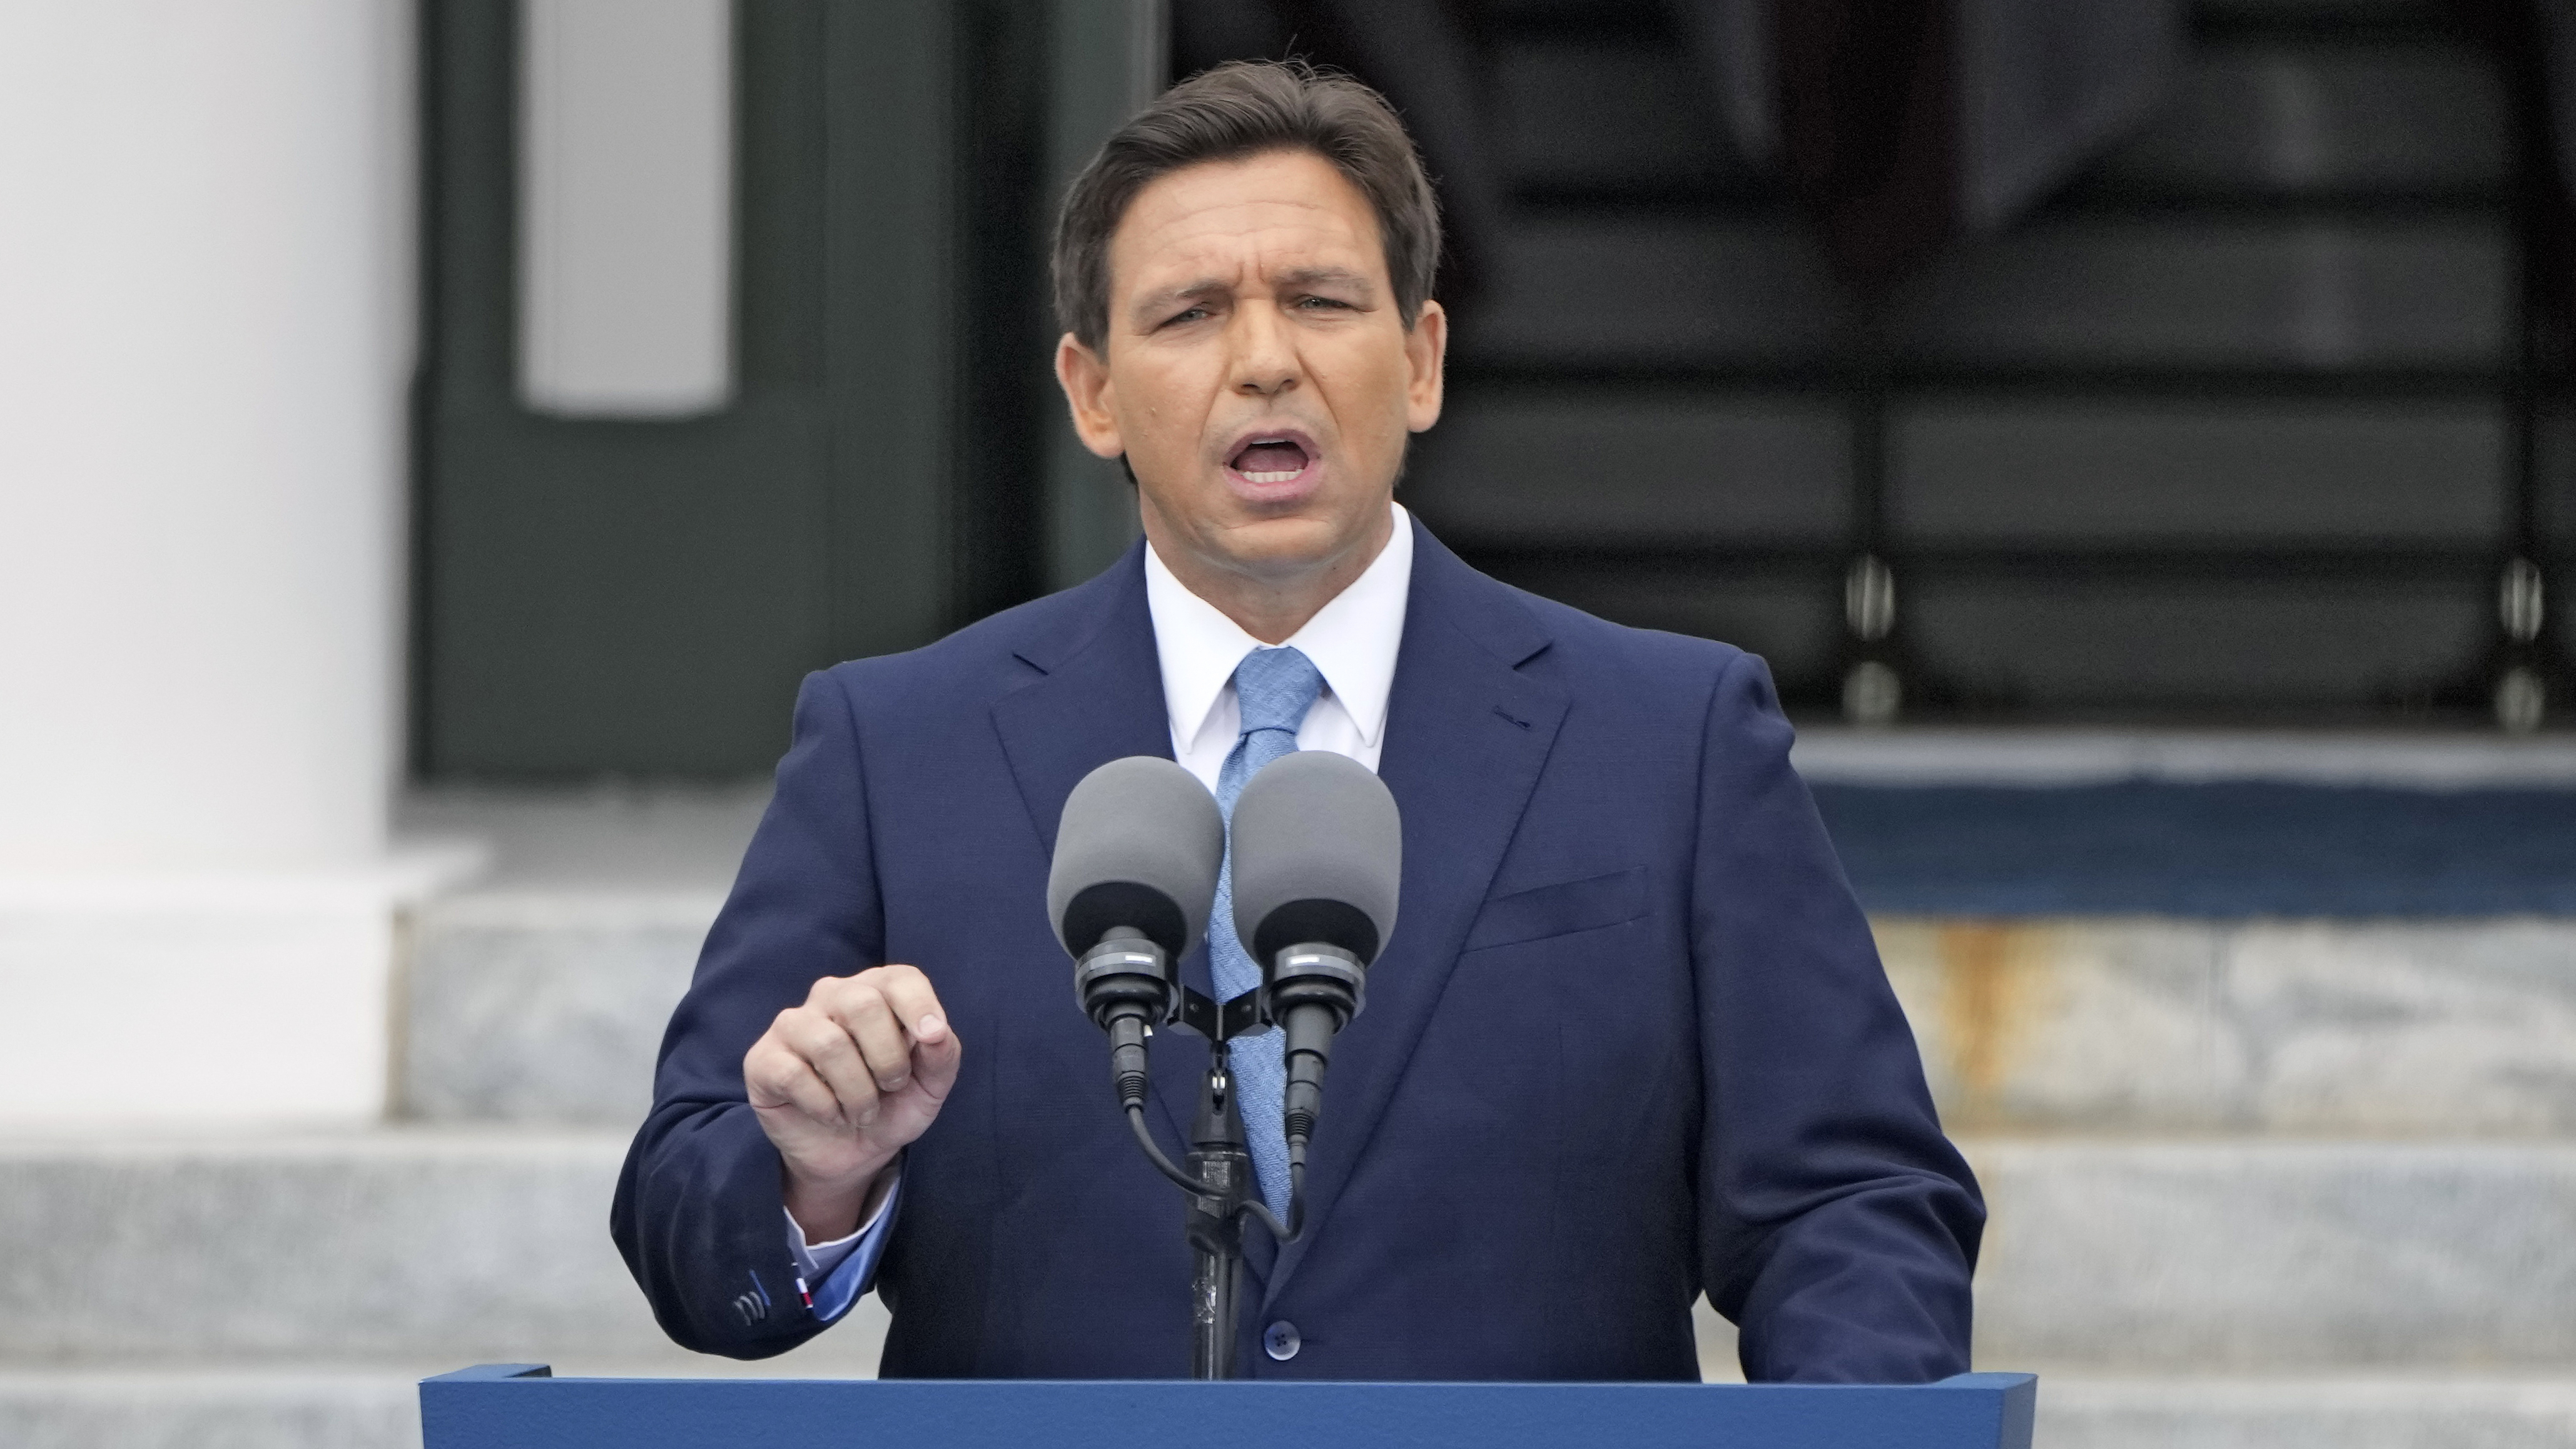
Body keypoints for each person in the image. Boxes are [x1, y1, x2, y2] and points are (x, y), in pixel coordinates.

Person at [612, 59, 1982, 1381]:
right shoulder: (895, 747)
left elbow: (1851, 1203)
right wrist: (817, 1172)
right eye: (1190, 313)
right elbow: (688, 1233)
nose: (1264, 361)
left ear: (1423, 359)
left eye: (1321, 300)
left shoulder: (1670, 738)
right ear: (1092, 392)